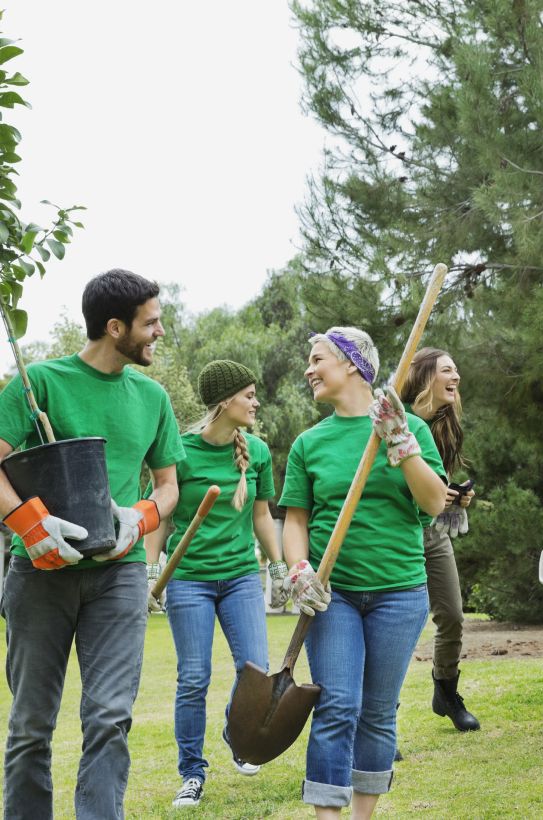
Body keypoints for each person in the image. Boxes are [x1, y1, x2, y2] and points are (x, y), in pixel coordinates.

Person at [0, 269, 184, 820]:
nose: (158, 331)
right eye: (150, 322)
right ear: (114, 326)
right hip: (39, 573)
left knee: (109, 717)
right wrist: (29, 523)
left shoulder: (152, 397)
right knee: (32, 724)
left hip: (119, 574)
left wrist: (142, 515)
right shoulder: (38, 385)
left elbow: (169, 484)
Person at [280, 327, 447, 818]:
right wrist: (297, 568)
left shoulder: (408, 427)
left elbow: (435, 502)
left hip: (400, 592)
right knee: (336, 707)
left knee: (376, 713)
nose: (309, 369)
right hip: (334, 597)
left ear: (351, 363)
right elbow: (295, 520)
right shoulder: (310, 444)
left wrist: (400, 442)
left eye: (317, 359)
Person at [143, 360, 293, 808]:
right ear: (224, 401)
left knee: (255, 669)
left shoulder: (258, 452)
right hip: (190, 580)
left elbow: (262, 515)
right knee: (193, 677)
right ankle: (191, 772)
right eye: (248, 395)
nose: (255, 402)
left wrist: (279, 565)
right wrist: (151, 570)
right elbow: (162, 514)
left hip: (241, 577)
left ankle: (235, 730)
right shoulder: (181, 451)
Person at [399, 347, 479, 732]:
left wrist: (457, 498)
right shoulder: (394, 420)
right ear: (425, 374)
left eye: (457, 369)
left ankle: (445, 690)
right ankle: (382, 717)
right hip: (398, 531)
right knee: (398, 623)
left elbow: (439, 483)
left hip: (432, 532)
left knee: (452, 615)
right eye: (448, 370)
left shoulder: (446, 425)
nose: (457, 377)